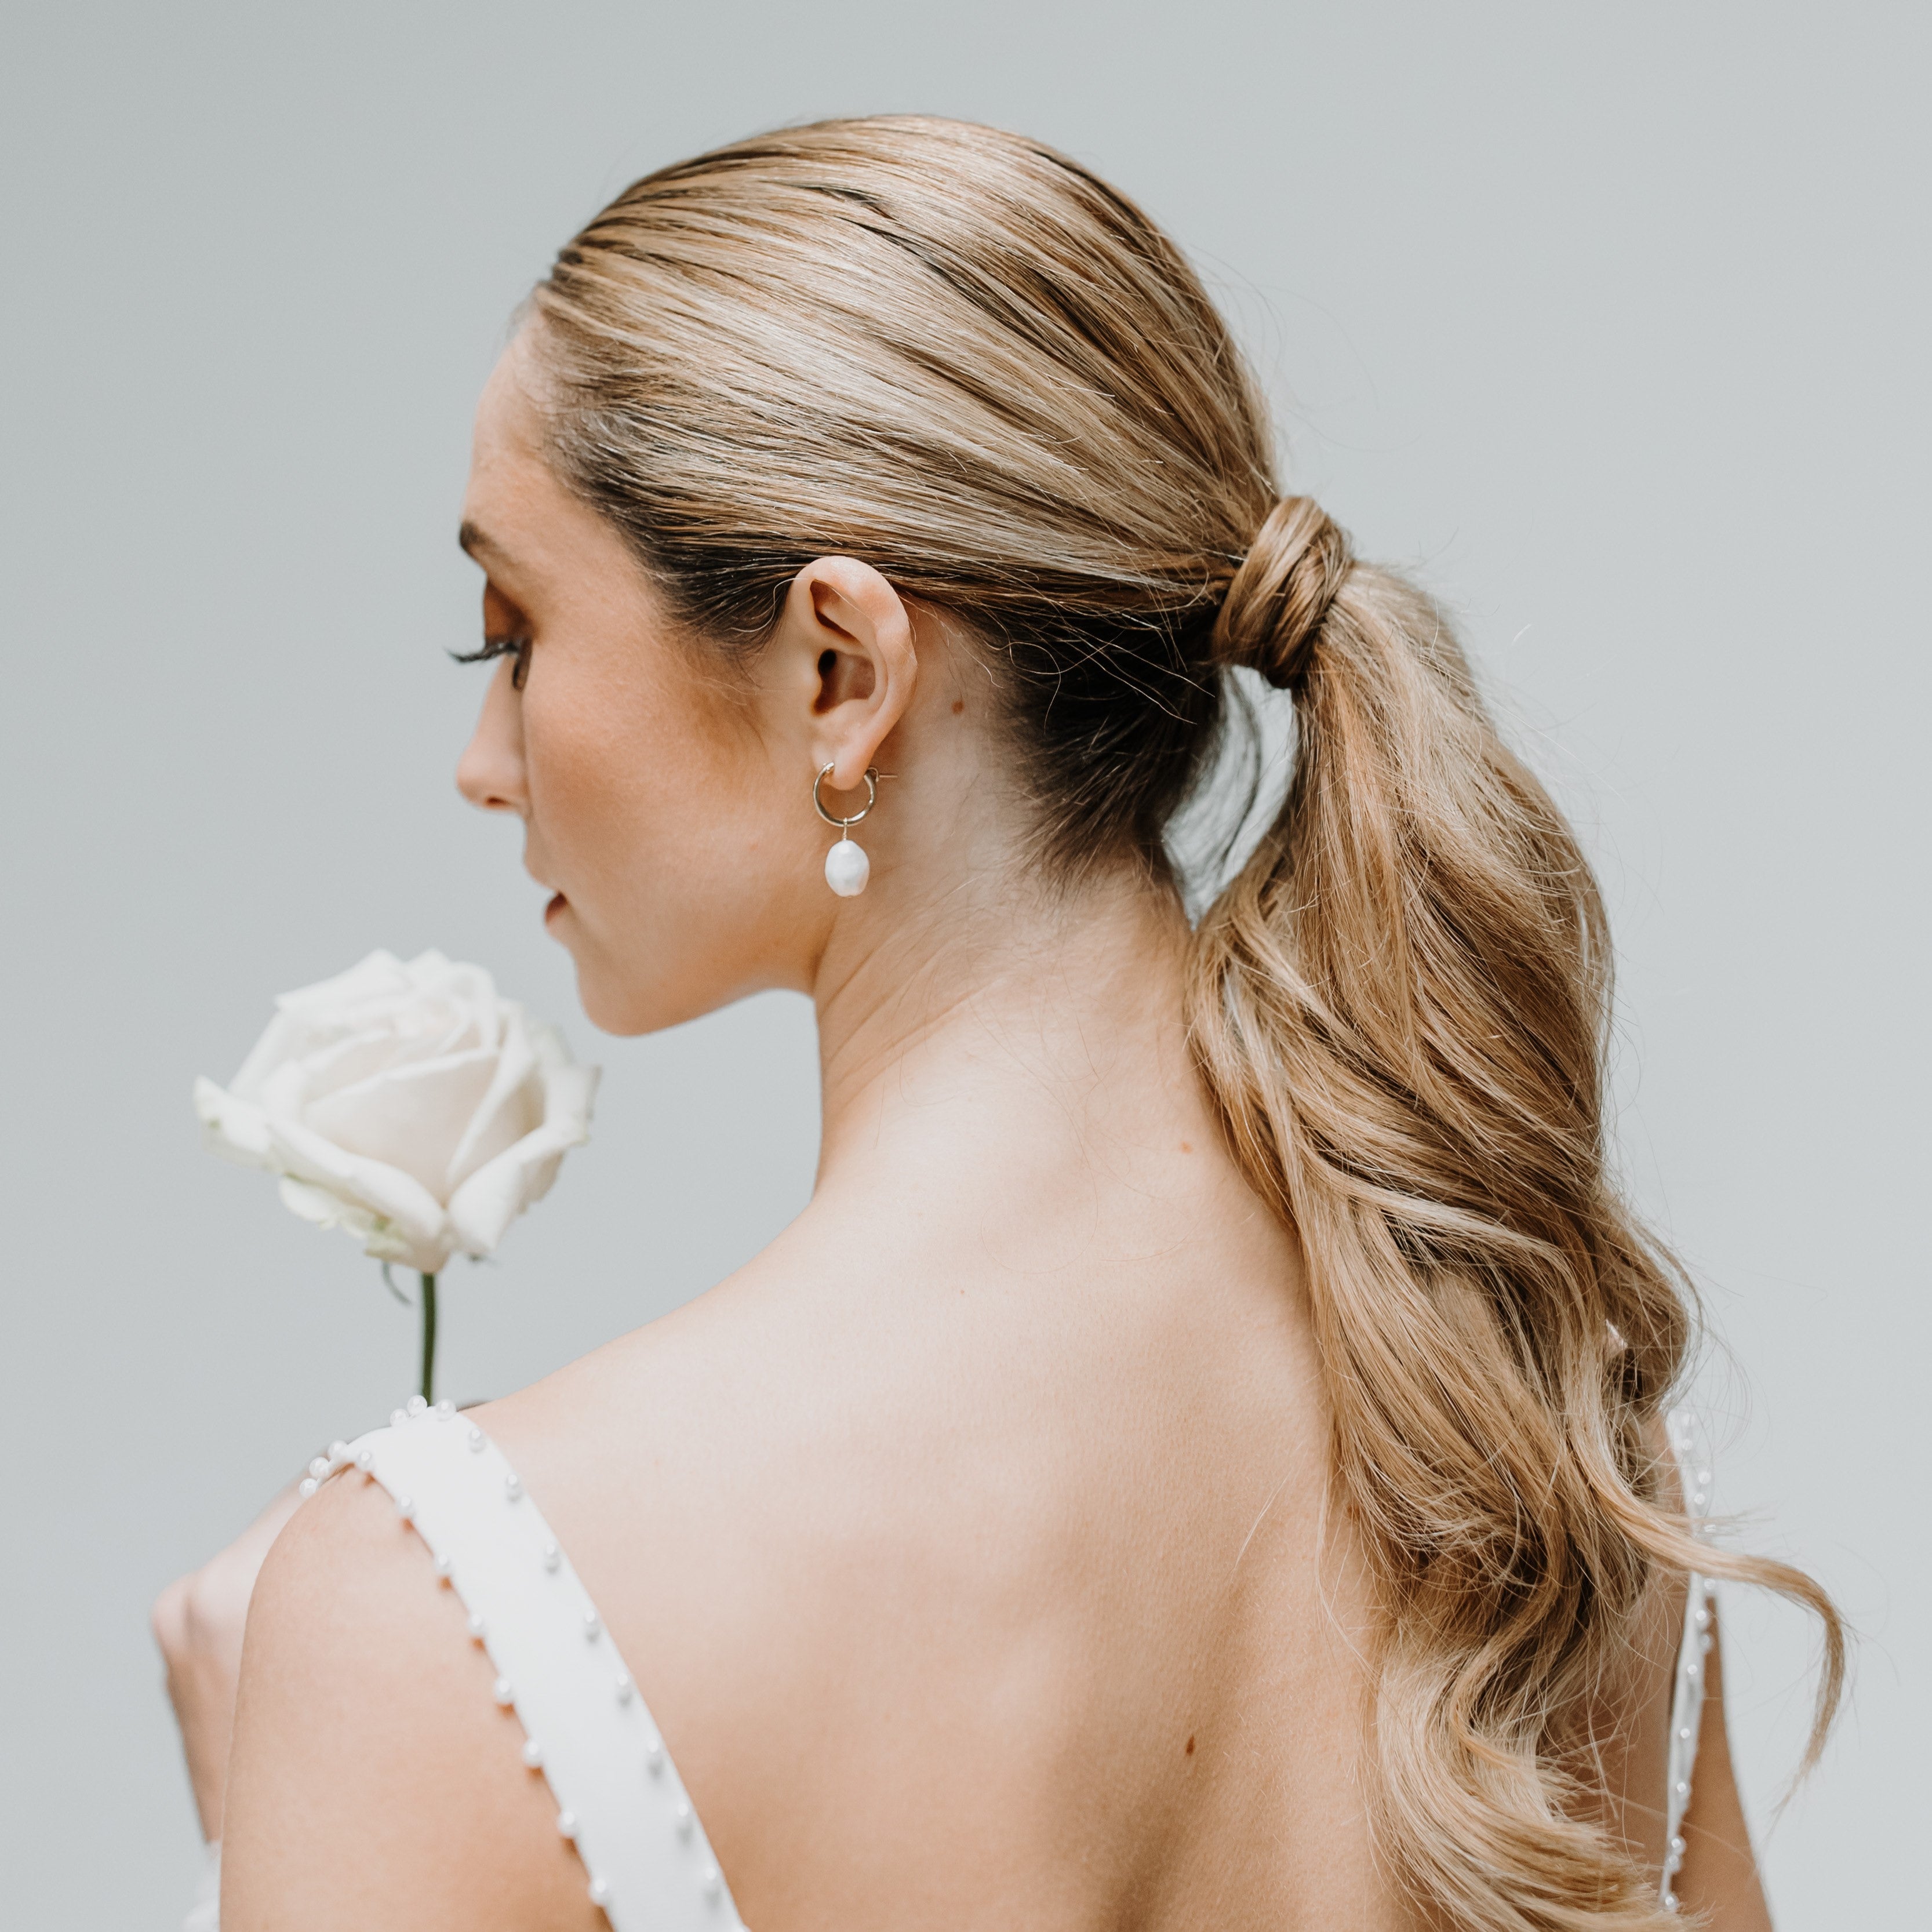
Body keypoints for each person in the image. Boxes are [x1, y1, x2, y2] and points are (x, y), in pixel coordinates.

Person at [154, 116, 1842, 1930]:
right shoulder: (1528, 1462)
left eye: (515, 632)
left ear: (841, 670)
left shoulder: (439, 1616)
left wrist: (340, 1740)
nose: (485, 766)